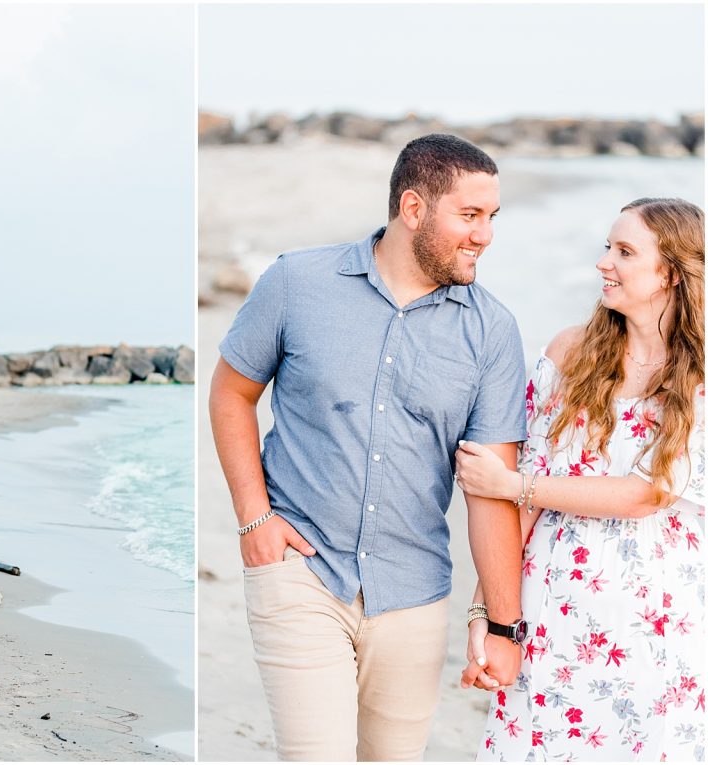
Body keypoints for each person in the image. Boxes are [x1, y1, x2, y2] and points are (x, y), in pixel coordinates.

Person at [208, 133, 529, 761]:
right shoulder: (296, 282)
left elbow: (493, 489)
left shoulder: (492, 330)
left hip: (414, 592)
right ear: (413, 209)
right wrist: (254, 519)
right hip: (300, 569)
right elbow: (230, 393)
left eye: (492, 217)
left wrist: (499, 625)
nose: (485, 235)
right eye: (470, 215)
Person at [457, 198, 705, 760]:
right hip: (550, 614)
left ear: (669, 271)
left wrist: (513, 486)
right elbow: (522, 498)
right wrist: (491, 618)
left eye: (623, 251)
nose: (603, 263)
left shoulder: (701, 371)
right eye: (605, 247)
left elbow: (649, 493)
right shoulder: (570, 353)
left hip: (657, 629)